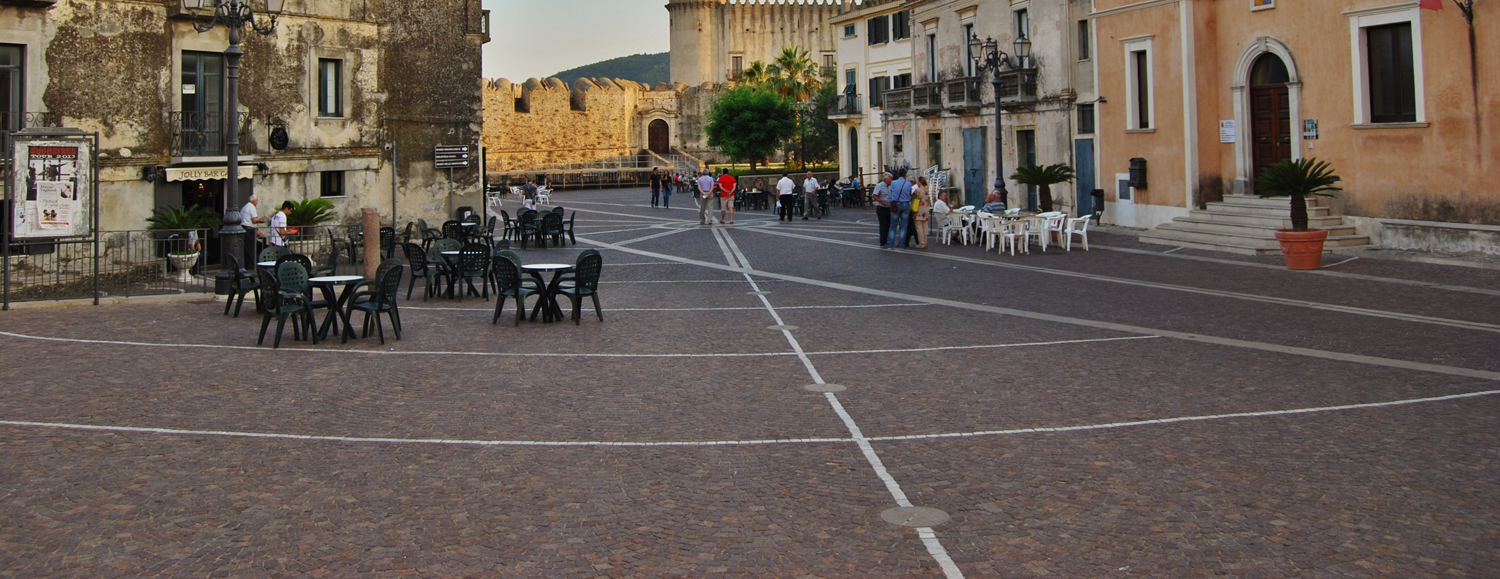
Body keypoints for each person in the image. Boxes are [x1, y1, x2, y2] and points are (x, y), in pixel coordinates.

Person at [887, 170, 913, 249]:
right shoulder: (908, 183)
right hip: (905, 204)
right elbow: (910, 193)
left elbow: (891, 193)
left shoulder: (893, 183)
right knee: (904, 226)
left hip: (896, 204)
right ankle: (901, 245)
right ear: (905, 175)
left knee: (893, 225)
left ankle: (890, 245)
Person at [240, 194, 266, 267]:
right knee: (251, 248)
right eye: (257, 201)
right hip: (249, 230)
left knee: (248, 248)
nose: (257, 202)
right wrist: (260, 221)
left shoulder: (245, 207)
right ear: (254, 201)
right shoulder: (252, 207)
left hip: (245, 229)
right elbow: (254, 220)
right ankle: (252, 265)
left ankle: (249, 264)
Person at [872, 173, 893, 246]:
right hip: (881, 208)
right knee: (883, 225)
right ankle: (883, 241)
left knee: (889, 224)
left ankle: (887, 239)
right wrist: (881, 201)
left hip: (889, 207)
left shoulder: (890, 186)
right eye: (890, 179)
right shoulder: (879, 186)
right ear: (886, 179)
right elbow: (874, 195)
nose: (891, 180)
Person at [911, 176, 930, 249]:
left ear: (919, 182)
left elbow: (912, 196)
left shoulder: (918, 190)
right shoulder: (926, 190)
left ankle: (921, 242)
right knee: (924, 226)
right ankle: (925, 241)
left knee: (919, 227)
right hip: (925, 209)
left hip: (918, 209)